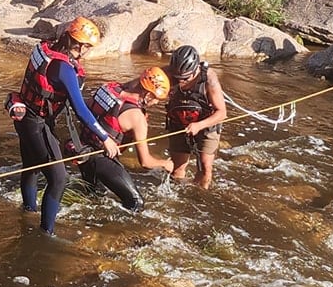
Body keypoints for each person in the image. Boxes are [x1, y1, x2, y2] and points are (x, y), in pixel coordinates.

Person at [5, 17, 121, 235]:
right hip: (36, 123)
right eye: (89, 47)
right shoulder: (63, 69)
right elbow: (80, 109)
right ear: (81, 45)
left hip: (25, 116)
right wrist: (105, 137)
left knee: (31, 166)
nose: (88, 52)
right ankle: (46, 232)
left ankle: (28, 211)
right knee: (59, 179)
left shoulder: (47, 47)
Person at [71, 67, 173, 211]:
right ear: (148, 95)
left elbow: (84, 110)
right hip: (100, 159)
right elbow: (145, 162)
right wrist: (165, 164)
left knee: (94, 199)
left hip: (82, 150)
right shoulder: (137, 117)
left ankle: (94, 231)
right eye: (156, 99)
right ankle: (117, 233)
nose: (156, 103)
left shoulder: (108, 88)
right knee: (136, 203)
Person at [165, 45, 227, 189]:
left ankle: (200, 196)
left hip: (206, 124)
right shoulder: (168, 72)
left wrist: (199, 125)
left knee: (205, 167)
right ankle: (178, 195)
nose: (180, 81)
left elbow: (222, 113)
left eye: (185, 78)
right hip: (179, 123)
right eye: (177, 78)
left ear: (195, 70)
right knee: (177, 168)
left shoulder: (209, 80)